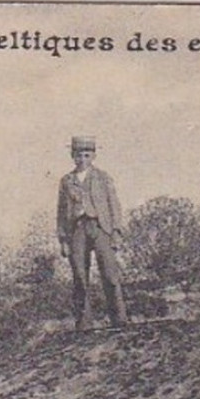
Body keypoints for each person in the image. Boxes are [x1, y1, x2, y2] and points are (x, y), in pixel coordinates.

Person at [56, 135, 128, 329]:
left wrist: (116, 232)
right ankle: (84, 324)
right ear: (73, 156)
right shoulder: (66, 181)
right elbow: (61, 212)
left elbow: (114, 205)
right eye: (78, 155)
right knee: (80, 276)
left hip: (100, 228)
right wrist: (63, 239)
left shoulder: (103, 177)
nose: (83, 159)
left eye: (87, 155)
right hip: (77, 230)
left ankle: (119, 321)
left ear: (94, 156)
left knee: (110, 275)